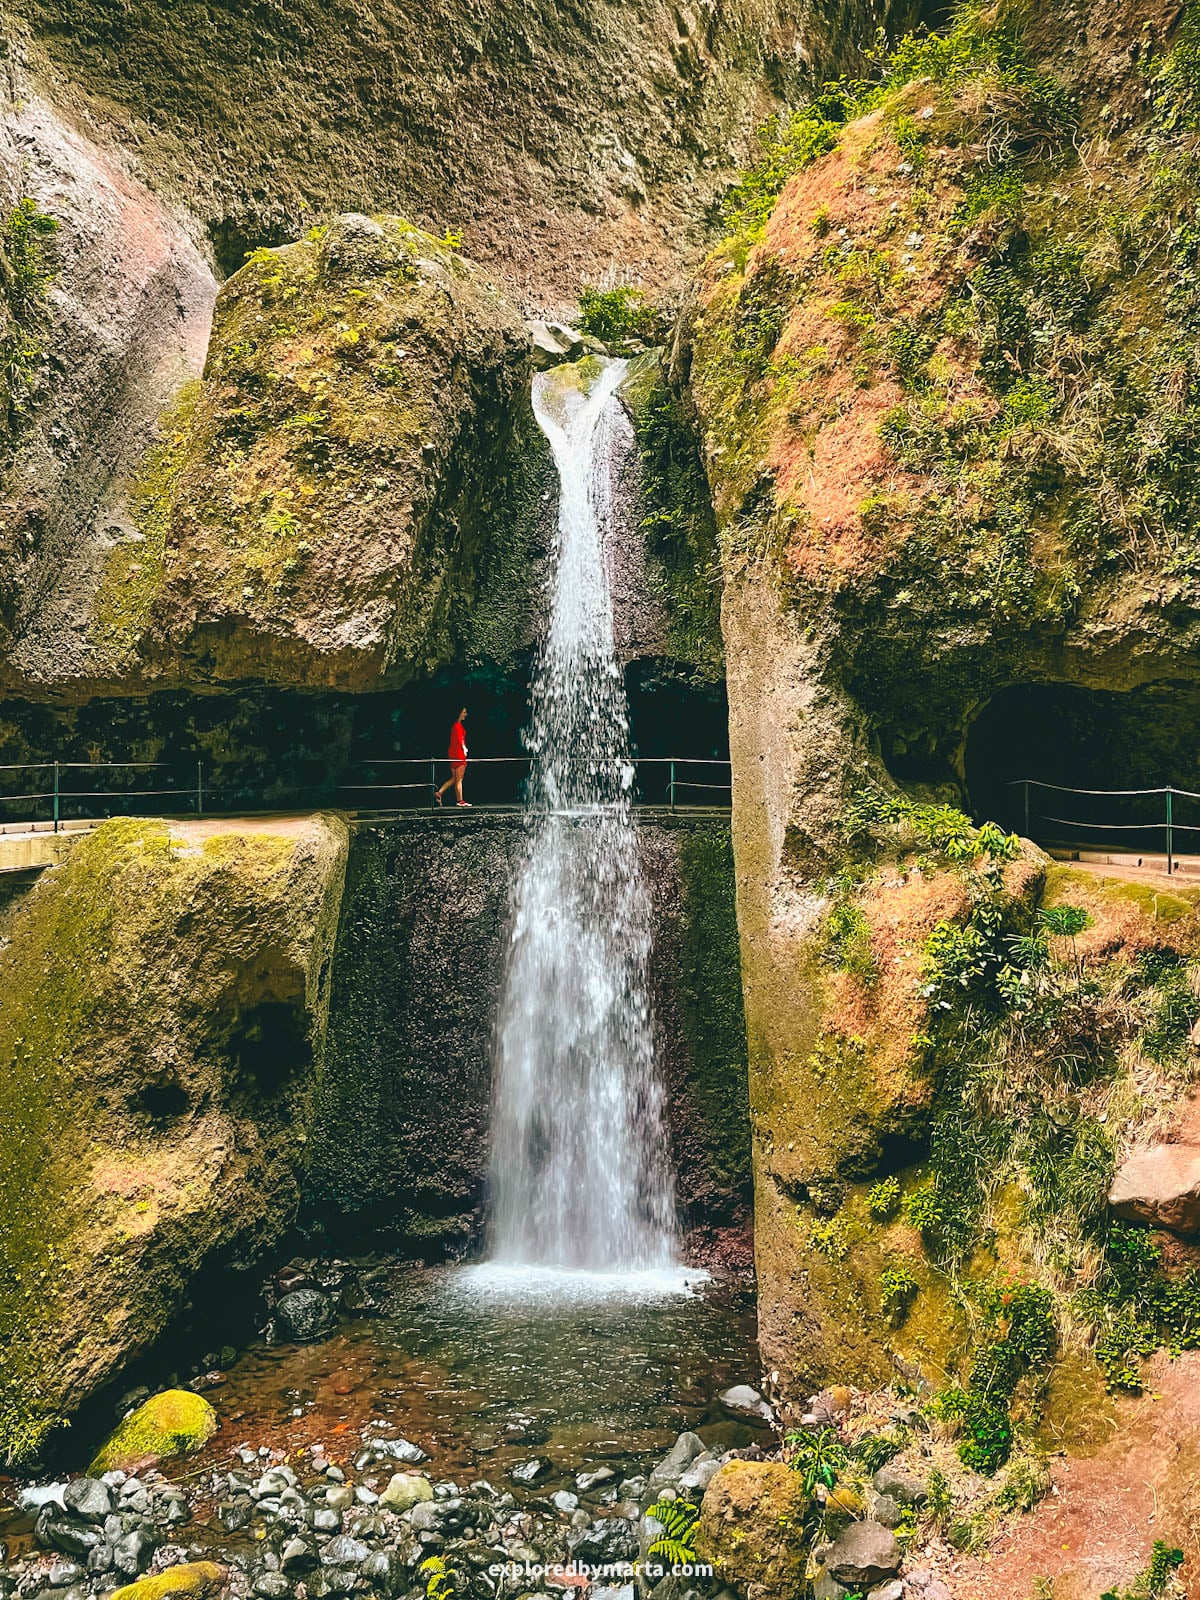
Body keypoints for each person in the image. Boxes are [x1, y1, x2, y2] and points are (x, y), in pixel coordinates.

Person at [435, 707, 470, 807]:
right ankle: (460, 800)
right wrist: (464, 748)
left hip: (453, 754)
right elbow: (460, 739)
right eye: (464, 712)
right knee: (459, 779)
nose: (465, 714)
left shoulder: (455, 726)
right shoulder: (457, 726)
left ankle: (440, 792)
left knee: (455, 778)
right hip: (458, 754)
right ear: (459, 713)